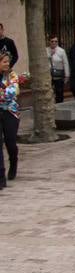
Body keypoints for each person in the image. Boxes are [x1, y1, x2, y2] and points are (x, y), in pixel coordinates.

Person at [0, 51, 19, 188]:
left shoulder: (12, 75)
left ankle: (13, 161)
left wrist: (3, 90)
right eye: (4, 61)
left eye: (8, 62)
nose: (7, 64)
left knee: (10, 142)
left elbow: (11, 93)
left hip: (10, 112)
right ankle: (1, 175)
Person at [47, 35, 70, 104]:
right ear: (49, 42)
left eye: (56, 41)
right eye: (52, 41)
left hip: (58, 74)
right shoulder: (46, 50)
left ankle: (60, 104)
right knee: (49, 91)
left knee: (59, 91)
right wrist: (50, 55)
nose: (54, 43)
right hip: (48, 74)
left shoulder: (61, 51)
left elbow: (65, 63)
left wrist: (67, 75)